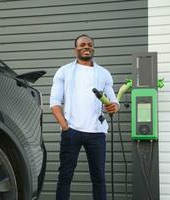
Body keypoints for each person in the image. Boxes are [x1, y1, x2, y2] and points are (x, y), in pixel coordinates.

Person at [50, 34, 119, 200]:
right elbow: (54, 102)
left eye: (89, 44)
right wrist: (64, 126)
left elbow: (113, 102)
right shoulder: (64, 71)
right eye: (82, 45)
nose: (86, 47)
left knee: (99, 178)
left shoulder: (104, 73)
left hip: (96, 132)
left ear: (93, 48)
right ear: (76, 49)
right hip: (71, 131)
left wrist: (113, 107)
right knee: (65, 177)